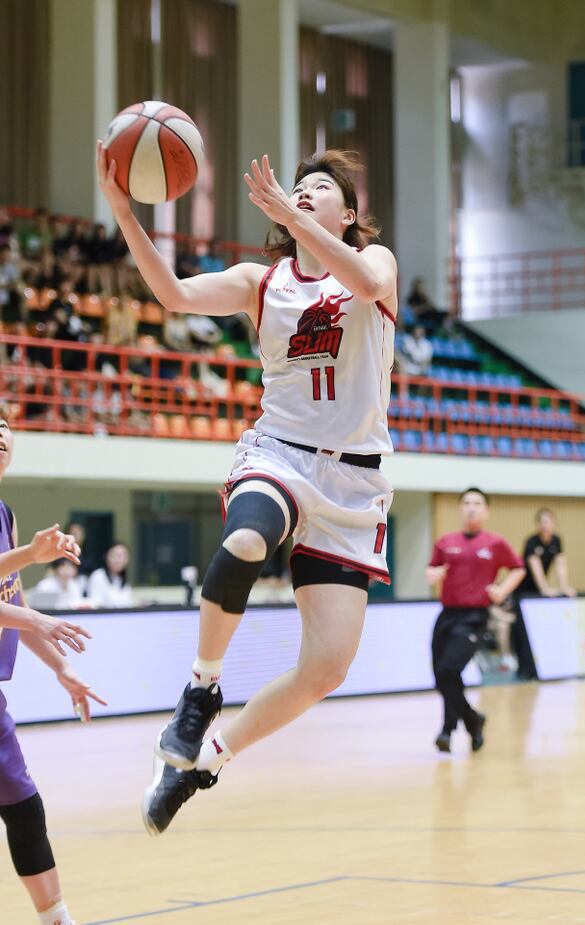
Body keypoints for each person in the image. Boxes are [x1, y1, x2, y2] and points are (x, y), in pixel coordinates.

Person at [97, 142, 397, 835]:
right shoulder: (262, 282)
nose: (306, 190)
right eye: (300, 185)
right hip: (279, 454)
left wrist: (299, 222)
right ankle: (200, 688)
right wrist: (124, 210)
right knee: (245, 541)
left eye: (321, 187)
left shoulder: (374, 265)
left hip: (353, 482)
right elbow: (173, 294)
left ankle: (202, 763)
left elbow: (366, 283)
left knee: (326, 669)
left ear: (348, 215)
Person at [0, 412, 106, 925]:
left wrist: (61, 668)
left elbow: (11, 600)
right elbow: (23, 611)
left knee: (23, 804)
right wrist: (30, 561)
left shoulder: (5, 514)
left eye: (2, 424)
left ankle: (56, 917)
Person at [426, 487, 525, 754]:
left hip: (473, 618)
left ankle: (449, 728)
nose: (471, 507)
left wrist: (502, 590)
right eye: (467, 503)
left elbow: (518, 568)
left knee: (449, 670)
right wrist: (432, 574)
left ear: (486, 510)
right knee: (442, 677)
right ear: (460, 508)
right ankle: (472, 721)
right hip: (446, 616)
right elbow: (432, 568)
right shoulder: (445, 542)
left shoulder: (495, 543)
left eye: (477, 503)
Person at [518, 508, 576, 598]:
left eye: (547, 522)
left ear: (553, 523)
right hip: (523, 588)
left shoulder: (556, 540)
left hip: (538, 590)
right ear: (537, 524)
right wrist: (544, 588)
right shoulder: (531, 541)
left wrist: (564, 587)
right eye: (541, 522)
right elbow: (535, 566)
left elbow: (560, 564)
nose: (544, 525)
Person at [86, 542, 133, 608]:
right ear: (106, 556)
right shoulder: (98, 576)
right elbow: (95, 605)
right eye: (114, 555)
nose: (117, 560)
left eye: (121, 556)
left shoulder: (124, 581)